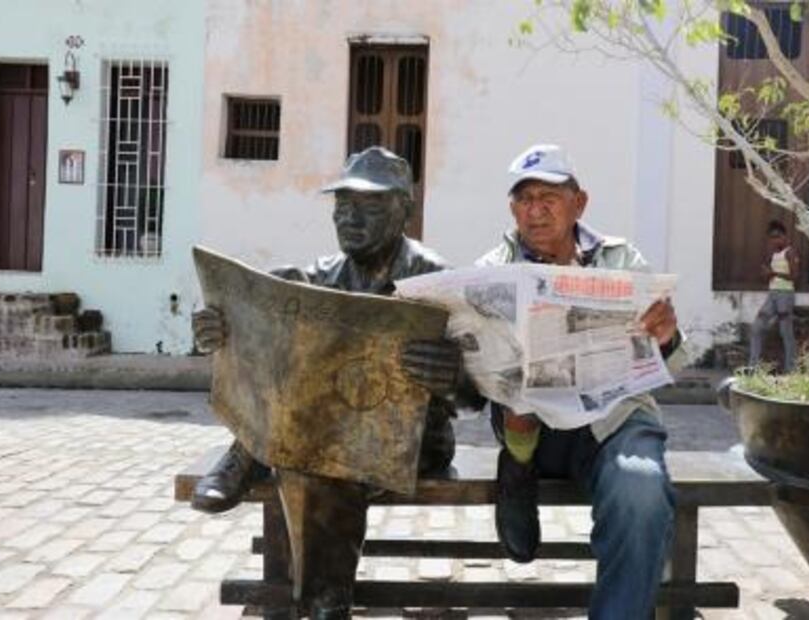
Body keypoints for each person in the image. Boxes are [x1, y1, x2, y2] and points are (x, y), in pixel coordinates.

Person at [191, 147, 473, 619]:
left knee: (312, 454)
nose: (349, 217)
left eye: (369, 205)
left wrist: (452, 377)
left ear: (405, 208)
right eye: (342, 204)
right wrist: (219, 333)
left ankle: (247, 457)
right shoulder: (318, 277)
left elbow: (475, 396)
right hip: (325, 435)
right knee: (312, 452)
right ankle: (325, 607)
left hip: (412, 439)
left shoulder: (437, 281)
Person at [477, 144, 687, 619]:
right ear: (513, 209)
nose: (536, 210)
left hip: (612, 421)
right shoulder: (493, 268)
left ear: (580, 203)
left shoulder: (619, 260)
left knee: (640, 488)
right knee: (520, 398)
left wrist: (666, 335)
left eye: (549, 196)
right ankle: (518, 471)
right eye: (525, 199)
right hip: (530, 424)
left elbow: (667, 365)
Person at [749, 219, 800, 373]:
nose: (774, 240)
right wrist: (766, 274)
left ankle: (791, 370)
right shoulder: (774, 254)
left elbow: (794, 276)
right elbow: (769, 275)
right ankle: (753, 367)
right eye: (771, 237)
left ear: (784, 236)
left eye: (777, 236)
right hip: (772, 294)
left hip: (785, 295)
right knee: (756, 328)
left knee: (786, 333)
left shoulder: (790, 252)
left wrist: (774, 273)